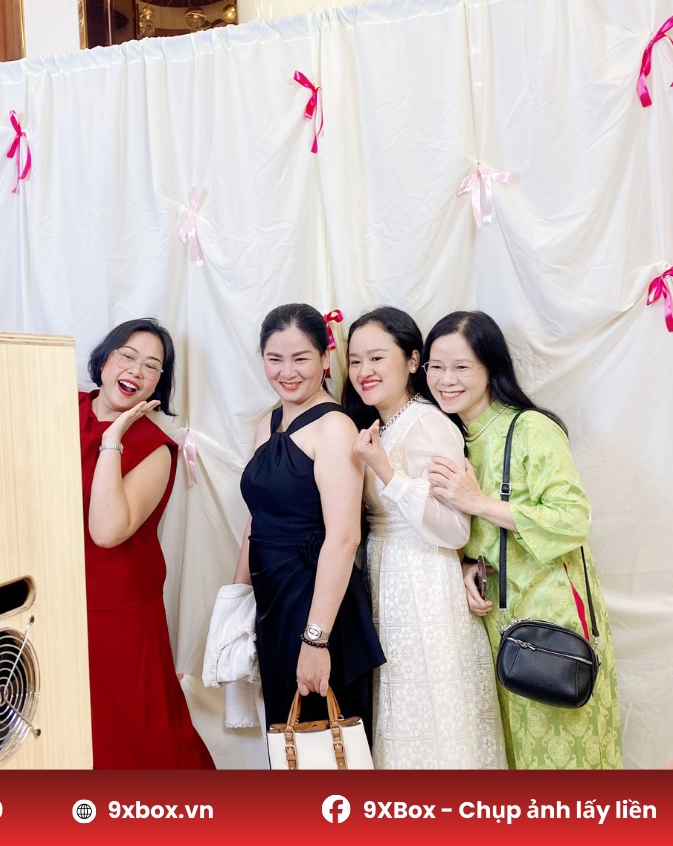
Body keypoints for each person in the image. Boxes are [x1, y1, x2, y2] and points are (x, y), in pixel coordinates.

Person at [423, 310, 622, 769]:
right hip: (495, 619)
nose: (446, 380)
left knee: (565, 757)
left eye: (461, 367)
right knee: (512, 758)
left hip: (553, 619)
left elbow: (573, 519)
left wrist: (477, 501)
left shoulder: (531, 428)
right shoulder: (452, 438)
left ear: (490, 367)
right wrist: (467, 567)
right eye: (436, 366)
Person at [342, 307, 506, 769]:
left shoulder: (428, 422)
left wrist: (386, 471)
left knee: (431, 713)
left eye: (377, 357)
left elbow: (456, 528)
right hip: (387, 579)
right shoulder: (381, 424)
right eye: (355, 360)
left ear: (413, 361)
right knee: (399, 714)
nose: (364, 370)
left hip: (424, 585)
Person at [234, 303, 385, 738]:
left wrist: (316, 639)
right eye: (275, 359)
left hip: (316, 603)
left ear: (324, 357)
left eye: (300, 358)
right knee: (287, 742)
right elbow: (257, 519)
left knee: (326, 742)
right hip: (273, 605)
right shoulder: (268, 423)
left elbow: (344, 538)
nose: (287, 372)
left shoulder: (334, 427)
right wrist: (236, 602)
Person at [78, 318, 215, 769]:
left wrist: (111, 440)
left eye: (152, 366)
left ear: (158, 384)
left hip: (117, 611)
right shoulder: (57, 407)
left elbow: (106, 531)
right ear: (105, 359)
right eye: (128, 355)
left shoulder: (155, 447)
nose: (136, 370)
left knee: (134, 736)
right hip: (51, 599)